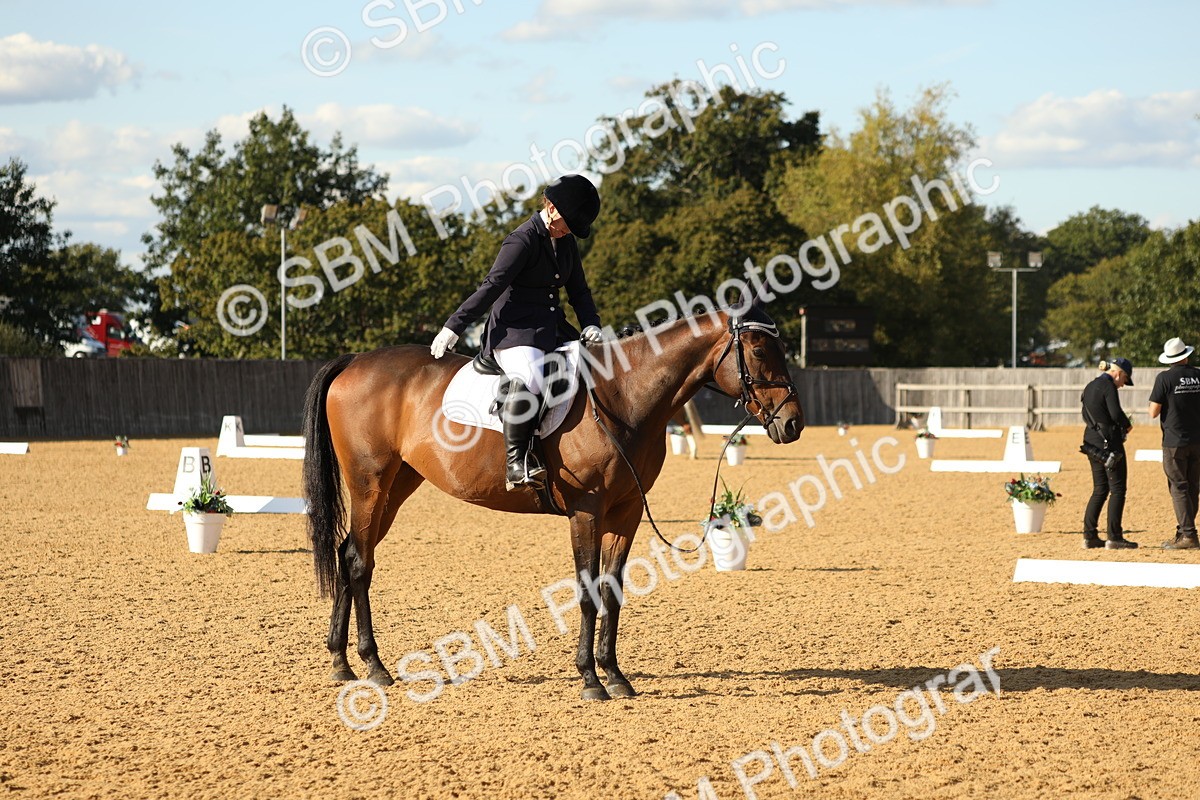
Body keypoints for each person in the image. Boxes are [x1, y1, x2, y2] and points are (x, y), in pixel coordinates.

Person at [430, 174, 605, 491]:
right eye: (566, 223)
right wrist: (454, 325)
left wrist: (591, 322)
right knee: (531, 377)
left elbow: (579, 290)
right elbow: (491, 286)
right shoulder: (522, 240)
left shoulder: (564, 242)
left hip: (553, 329)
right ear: (550, 207)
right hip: (514, 330)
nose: (567, 232)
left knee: (595, 367)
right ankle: (516, 463)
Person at [1149, 336, 1200, 549]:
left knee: (1178, 487)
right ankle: (1184, 531)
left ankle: (1188, 535)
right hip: (1198, 439)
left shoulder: (1164, 378)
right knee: (1193, 487)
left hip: (1174, 440)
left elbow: (1153, 411)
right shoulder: (1199, 375)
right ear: (1186, 356)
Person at [1080, 358, 1136, 549]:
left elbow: (1086, 413)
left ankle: (1089, 536)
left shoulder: (1090, 386)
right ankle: (1115, 536)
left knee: (1099, 489)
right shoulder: (1108, 387)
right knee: (1118, 489)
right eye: (1124, 380)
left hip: (1091, 441)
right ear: (1119, 373)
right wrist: (1127, 425)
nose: (1122, 385)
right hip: (1109, 442)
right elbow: (1115, 413)